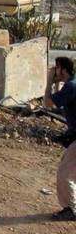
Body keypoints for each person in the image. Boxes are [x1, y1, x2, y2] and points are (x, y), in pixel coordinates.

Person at [44, 57, 76, 221]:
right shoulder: (72, 85)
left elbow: (48, 103)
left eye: (56, 68)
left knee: (65, 174)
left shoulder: (70, 87)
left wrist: (49, 81)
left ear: (63, 70)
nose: (55, 71)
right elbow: (58, 102)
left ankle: (71, 209)